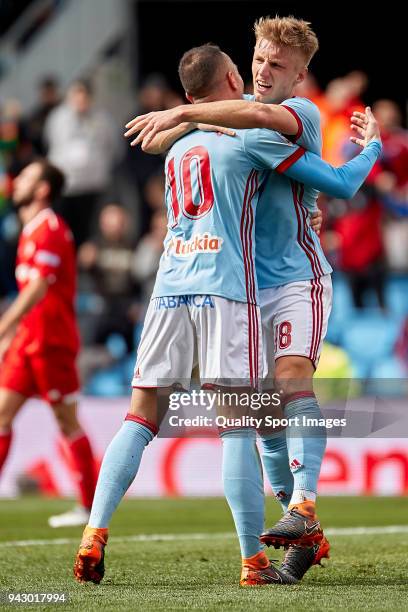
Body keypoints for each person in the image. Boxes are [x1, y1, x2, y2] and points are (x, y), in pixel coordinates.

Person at [74, 44, 380, 587]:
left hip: (181, 287)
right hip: (227, 291)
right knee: (244, 426)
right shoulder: (250, 139)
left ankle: (95, 532)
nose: (261, 74)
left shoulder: (199, 140)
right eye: (255, 63)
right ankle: (256, 558)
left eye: (275, 65)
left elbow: (248, 120)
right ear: (235, 75)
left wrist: (179, 116)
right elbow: (332, 177)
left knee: (148, 416)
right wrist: (369, 153)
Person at [0, 160, 97, 528]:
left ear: (42, 189)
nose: (17, 181)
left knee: (67, 421)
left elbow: (38, 289)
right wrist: (12, 335)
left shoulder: (51, 229)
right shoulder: (29, 231)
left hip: (52, 342)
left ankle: (88, 508)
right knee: (1, 415)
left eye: (26, 177)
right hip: (28, 341)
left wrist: (2, 326)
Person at [44, 79, 121, 247]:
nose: (80, 100)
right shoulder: (58, 118)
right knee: (65, 234)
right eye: (76, 95)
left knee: (89, 237)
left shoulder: (103, 119)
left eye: (84, 95)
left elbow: (114, 148)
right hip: (66, 187)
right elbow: (50, 144)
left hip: (93, 187)